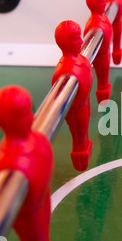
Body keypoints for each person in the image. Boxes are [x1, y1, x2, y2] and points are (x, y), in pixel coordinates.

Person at [0, 85, 56, 241]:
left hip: (41, 196)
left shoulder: (35, 140)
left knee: (44, 237)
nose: (32, 118)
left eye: (29, 112)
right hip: (29, 212)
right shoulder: (6, 164)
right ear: (8, 122)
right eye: (24, 115)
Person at [52, 20, 93, 171]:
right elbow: (57, 95)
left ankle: (83, 153)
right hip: (75, 109)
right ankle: (80, 159)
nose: (82, 41)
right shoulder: (65, 70)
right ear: (66, 43)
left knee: (84, 130)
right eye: (76, 38)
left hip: (84, 101)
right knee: (79, 135)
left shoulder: (80, 59)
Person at [85, 0, 114, 104]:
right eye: (102, 1)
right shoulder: (94, 25)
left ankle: (104, 97)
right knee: (102, 79)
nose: (105, 4)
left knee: (105, 78)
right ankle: (103, 101)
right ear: (94, 5)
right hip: (100, 56)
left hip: (106, 52)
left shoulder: (103, 19)